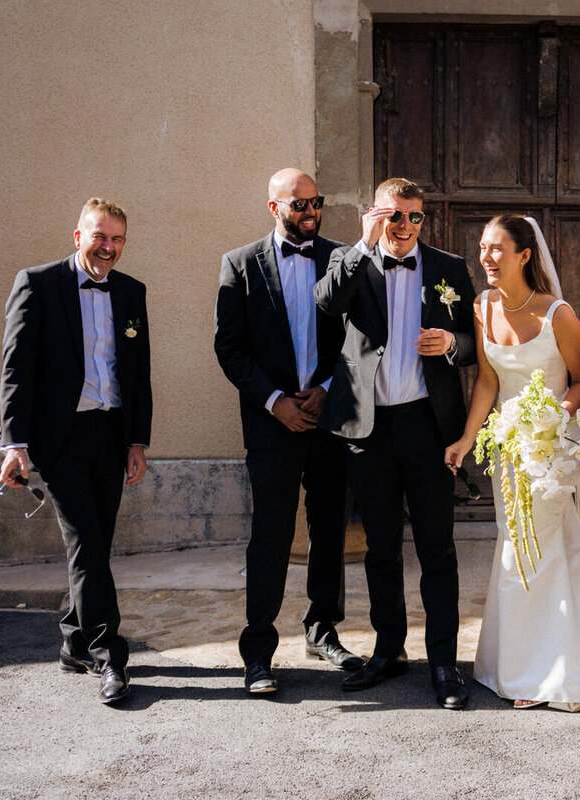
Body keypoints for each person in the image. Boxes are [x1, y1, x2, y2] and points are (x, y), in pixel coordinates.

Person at [443, 214, 580, 710]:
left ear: (524, 255)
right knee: (517, 549)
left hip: (550, 451)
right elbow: (488, 382)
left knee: (547, 550)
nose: (486, 257)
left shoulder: (558, 314)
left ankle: (560, 671)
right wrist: (466, 439)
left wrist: (552, 418)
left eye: (497, 249)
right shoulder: (482, 306)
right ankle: (519, 667)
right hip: (511, 451)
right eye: (483, 247)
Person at [315, 178, 476, 710]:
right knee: (380, 548)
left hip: (428, 427)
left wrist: (452, 342)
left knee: (437, 549)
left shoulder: (449, 267)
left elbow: (478, 342)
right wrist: (363, 244)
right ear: (374, 215)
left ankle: (444, 662)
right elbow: (325, 302)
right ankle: (388, 650)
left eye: (413, 216)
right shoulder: (350, 260)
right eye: (393, 215)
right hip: (368, 428)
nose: (403, 225)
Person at [0, 198, 152, 705]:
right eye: (99, 237)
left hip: (111, 436)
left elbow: (138, 374)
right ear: (78, 235)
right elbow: (16, 369)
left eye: (117, 240)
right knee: (86, 542)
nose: (108, 248)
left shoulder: (131, 292)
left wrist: (137, 442)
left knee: (95, 545)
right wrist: (15, 444)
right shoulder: (38, 284)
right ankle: (110, 658)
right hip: (59, 440)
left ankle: (73, 639)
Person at [215, 168, 355, 695]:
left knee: (329, 530)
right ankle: (258, 650)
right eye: (299, 204)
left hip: (327, 417)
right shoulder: (240, 264)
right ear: (273, 207)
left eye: (315, 202)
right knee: (270, 536)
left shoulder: (339, 259)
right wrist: (275, 403)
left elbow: (362, 338)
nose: (310, 212)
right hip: (272, 423)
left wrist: (326, 387)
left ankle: (323, 631)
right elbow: (229, 348)